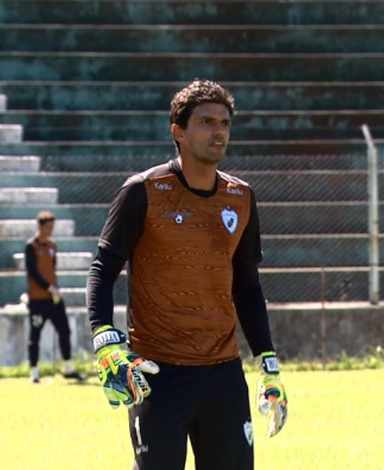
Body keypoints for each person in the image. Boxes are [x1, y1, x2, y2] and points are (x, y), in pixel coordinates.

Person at [86, 79, 288, 469]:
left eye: (225, 123)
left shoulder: (241, 197)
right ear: (178, 131)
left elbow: (246, 287)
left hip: (224, 376)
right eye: (207, 122)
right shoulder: (142, 191)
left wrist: (269, 363)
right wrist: (105, 339)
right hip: (158, 375)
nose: (218, 132)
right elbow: (102, 269)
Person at [24, 210, 84, 383]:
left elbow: (52, 270)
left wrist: (54, 289)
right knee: (35, 335)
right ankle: (34, 372)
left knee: (64, 330)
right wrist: (48, 287)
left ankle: (68, 367)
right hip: (37, 299)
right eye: (48, 227)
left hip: (54, 298)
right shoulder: (31, 247)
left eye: (52, 227)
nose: (50, 230)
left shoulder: (52, 246)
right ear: (40, 227)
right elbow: (33, 272)